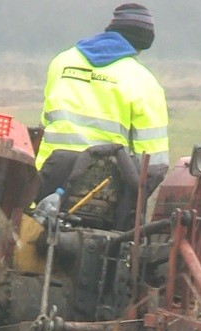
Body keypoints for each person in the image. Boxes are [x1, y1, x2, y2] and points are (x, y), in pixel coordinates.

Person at [35, 3, 169, 207]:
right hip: (104, 193)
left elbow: (45, 124)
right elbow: (154, 164)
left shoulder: (62, 62)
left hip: (47, 181)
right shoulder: (144, 81)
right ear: (142, 43)